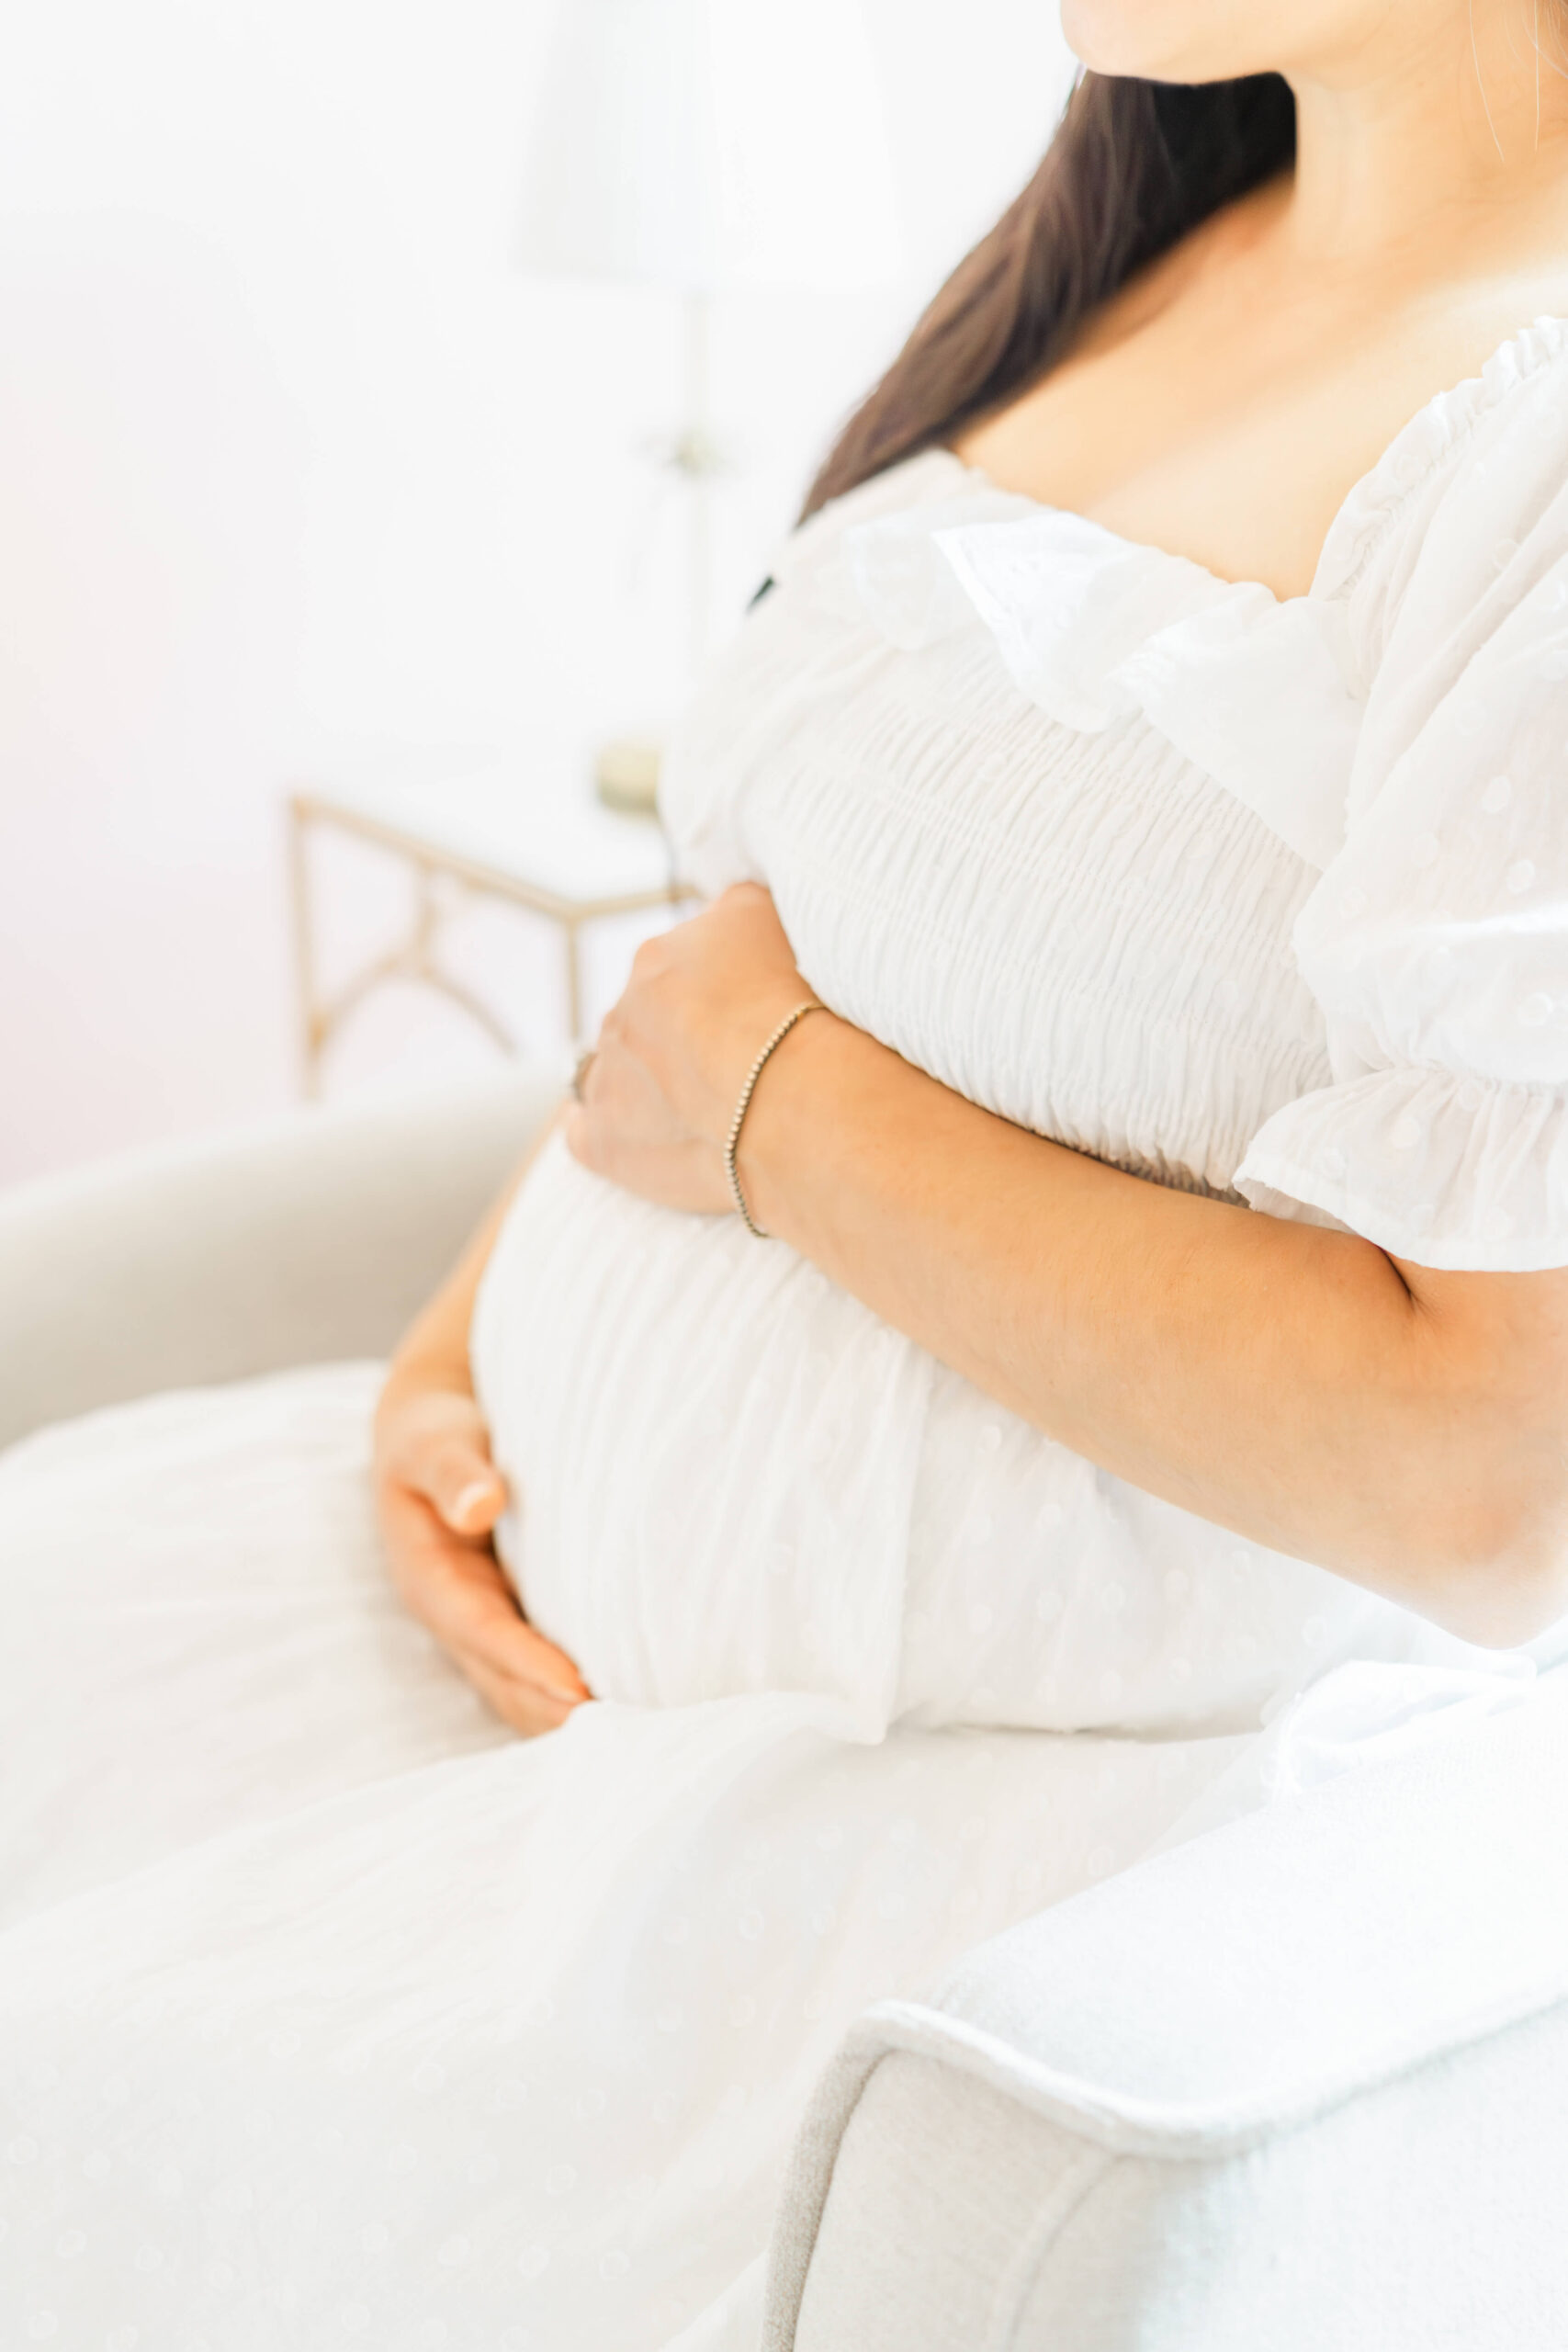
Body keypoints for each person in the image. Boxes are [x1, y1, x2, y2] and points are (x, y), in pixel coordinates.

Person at [6, 1, 1568, 2343]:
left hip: (877, 1840)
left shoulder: (1524, 450)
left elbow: (1489, 1465)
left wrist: (779, 1119)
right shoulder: (1143, 241)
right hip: (529, 1700)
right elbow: (754, 957)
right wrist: (461, 1343)